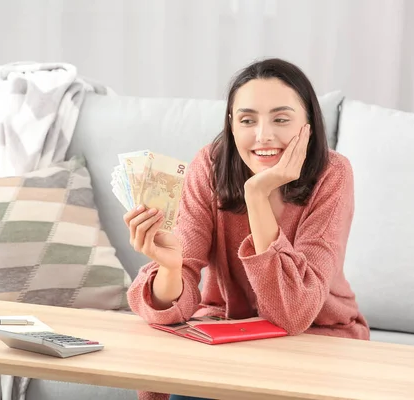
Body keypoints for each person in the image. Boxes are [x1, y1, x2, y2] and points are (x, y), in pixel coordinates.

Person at [123, 58, 370, 400]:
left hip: (317, 334)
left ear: (308, 124)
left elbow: (293, 313)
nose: (263, 135)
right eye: (247, 120)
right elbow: (169, 303)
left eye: (281, 119)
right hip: (230, 330)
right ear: (231, 125)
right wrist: (169, 268)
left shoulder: (333, 174)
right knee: (180, 386)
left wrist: (257, 194)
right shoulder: (210, 166)